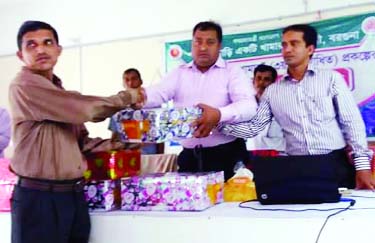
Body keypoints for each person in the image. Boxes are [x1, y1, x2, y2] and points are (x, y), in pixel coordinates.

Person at [9, 20, 143, 243]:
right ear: (20, 55)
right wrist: (128, 96)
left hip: (72, 196)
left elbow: (83, 143)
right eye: (31, 45)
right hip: (39, 198)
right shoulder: (24, 86)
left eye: (47, 42)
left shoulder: (59, 91)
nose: (40, 49)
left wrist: (125, 143)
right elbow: (88, 109)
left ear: (58, 50)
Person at [220, 24, 374, 189]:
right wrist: (219, 124)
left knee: (343, 213)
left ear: (310, 49)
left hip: (334, 163)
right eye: (284, 45)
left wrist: (362, 167)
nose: (287, 49)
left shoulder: (331, 80)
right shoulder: (273, 92)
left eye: (294, 44)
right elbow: (254, 128)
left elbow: (352, 123)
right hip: (297, 165)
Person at [143, 21, 257, 180]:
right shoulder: (179, 73)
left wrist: (218, 115)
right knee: (190, 204)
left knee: (231, 204)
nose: (203, 47)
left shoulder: (232, 72)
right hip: (190, 158)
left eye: (210, 42)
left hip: (227, 156)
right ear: (192, 44)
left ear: (219, 46)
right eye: (198, 41)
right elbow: (158, 93)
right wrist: (134, 97)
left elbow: (249, 106)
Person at [109, 68, 164, 154]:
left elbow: (160, 135)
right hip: (127, 158)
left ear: (141, 81)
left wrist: (160, 157)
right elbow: (114, 137)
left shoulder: (153, 105)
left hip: (150, 157)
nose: (130, 83)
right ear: (123, 83)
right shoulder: (117, 108)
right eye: (127, 80)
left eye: (134, 79)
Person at [250, 64, 285, 152]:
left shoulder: (283, 106)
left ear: (273, 83)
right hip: (251, 158)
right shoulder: (245, 106)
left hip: (278, 157)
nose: (261, 83)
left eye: (266, 79)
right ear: (253, 81)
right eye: (258, 78)